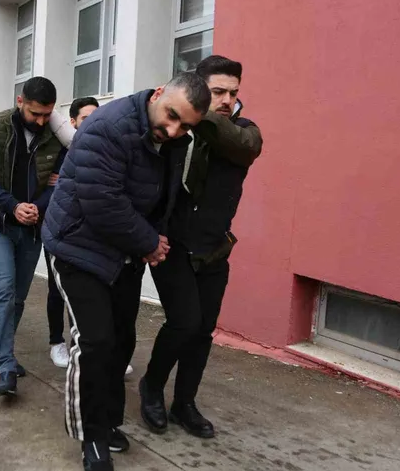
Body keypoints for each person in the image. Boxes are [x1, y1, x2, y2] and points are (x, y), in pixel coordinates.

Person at [42, 73, 210, 471]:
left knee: (121, 341)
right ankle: (91, 437)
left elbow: (164, 198)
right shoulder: (108, 126)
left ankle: (107, 421)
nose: (174, 129)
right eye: (172, 115)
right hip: (76, 248)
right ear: (158, 94)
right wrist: (150, 242)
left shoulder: (173, 140)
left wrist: (156, 236)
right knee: (95, 341)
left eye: (185, 125)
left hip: (123, 254)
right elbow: (101, 201)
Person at [139, 56, 262, 440]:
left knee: (202, 331)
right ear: (199, 87)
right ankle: (152, 387)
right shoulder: (176, 128)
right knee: (184, 322)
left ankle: (184, 403)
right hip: (171, 245)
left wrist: (199, 110)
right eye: (217, 91)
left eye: (233, 93)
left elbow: (243, 145)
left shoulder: (244, 131)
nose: (227, 100)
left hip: (214, 250)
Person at [0, 76, 65, 397]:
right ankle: (6, 364)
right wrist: (13, 206)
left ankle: (0, 351)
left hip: (32, 225)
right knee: (4, 288)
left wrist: (37, 207)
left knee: (19, 296)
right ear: (20, 101)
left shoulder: (57, 133)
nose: (41, 121)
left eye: (47, 114)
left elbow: (58, 182)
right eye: (35, 113)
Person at [46, 97, 99, 369]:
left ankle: (87, 347)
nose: (91, 123)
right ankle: (57, 342)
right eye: (86, 119)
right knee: (57, 289)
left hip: (91, 231)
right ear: (73, 122)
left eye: (95, 117)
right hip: (58, 230)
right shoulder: (58, 149)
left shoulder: (103, 147)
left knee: (88, 292)